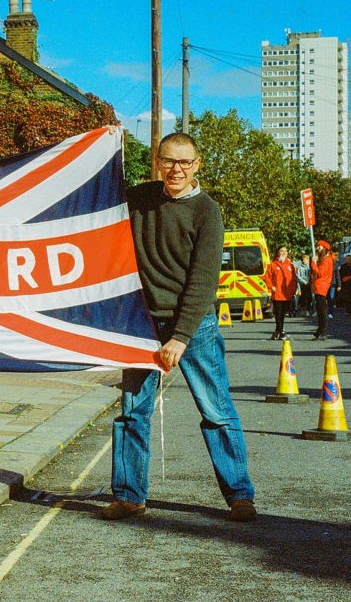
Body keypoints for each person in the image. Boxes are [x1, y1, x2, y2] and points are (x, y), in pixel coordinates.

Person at [101, 132, 256, 523]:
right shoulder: (136, 200)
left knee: (215, 410)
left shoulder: (207, 211)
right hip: (142, 323)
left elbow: (203, 283)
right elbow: (94, 200)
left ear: (197, 165)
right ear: (157, 161)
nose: (176, 169)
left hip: (194, 324)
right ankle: (129, 495)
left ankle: (240, 495)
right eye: (169, 161)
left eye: (185, 163)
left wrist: (181, 337)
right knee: (132, 412)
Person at [264, 246, 297, 340]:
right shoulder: (273, 265)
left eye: (285, 251)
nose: (284, 252)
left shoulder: (290, 265)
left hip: (287, 294)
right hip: (278, 294)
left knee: (283, 313)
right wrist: (271, 287)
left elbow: (294, 279)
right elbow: (267, 277)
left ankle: (277, 331)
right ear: (278, 253)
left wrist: (294, 290)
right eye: (281, 251)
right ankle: (281, 330)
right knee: (278, 313)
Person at [310, 240, 335, 340]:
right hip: (319, 286)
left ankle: (323, 330)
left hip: (321, 286)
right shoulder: (325, 259)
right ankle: (320, 330)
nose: (317, 249)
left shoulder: (327, 259)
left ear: (324, 248)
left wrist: (312, 262)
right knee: (320, 309)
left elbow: (320, 273)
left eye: (319, 247)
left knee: (321, 310)